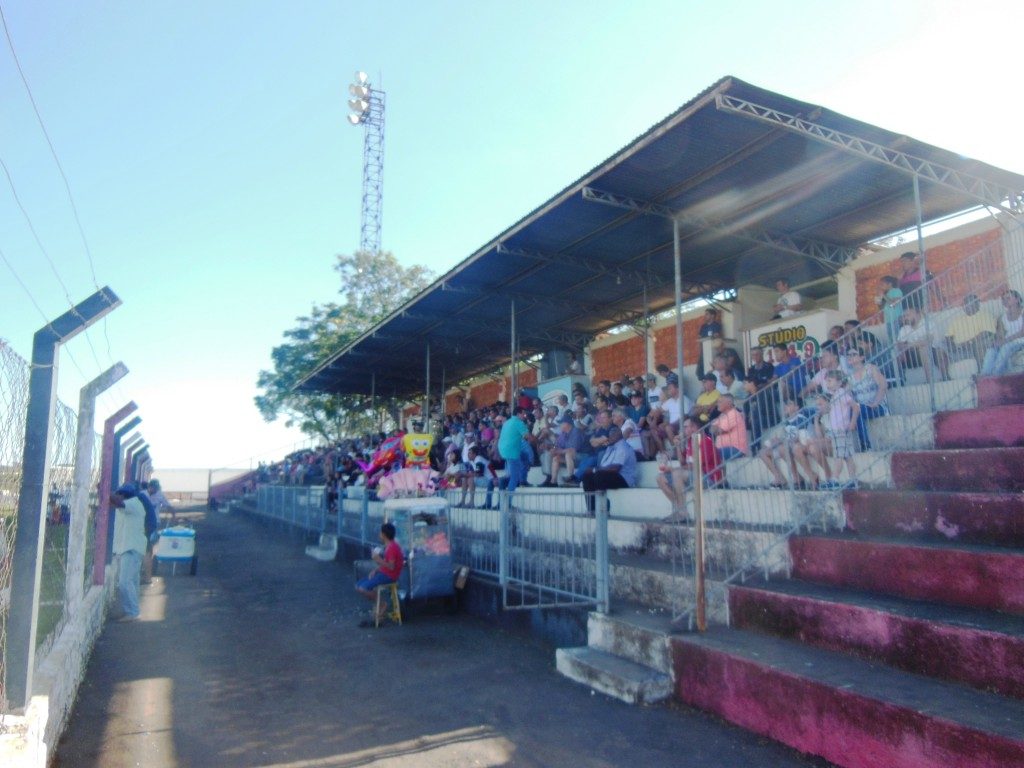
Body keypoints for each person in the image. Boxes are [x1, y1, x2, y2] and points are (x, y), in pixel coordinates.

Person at [656, 416, 718, 521]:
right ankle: (679, 510)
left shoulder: (705, 441)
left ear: (694, 428)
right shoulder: (690, 442)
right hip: (693, 477)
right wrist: (678, 446)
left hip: (709, 478)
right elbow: (683, 462)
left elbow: (695, 466)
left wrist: (672, 469)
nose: (683, 431)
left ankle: (682, 513)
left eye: (685, 427)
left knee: (677, 473)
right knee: (660, 478)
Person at [110, 483, 148, 622]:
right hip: (131, 547)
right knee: (131, 581)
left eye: (119, 494)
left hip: (131, 548)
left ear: (124, 495)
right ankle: (134, 610)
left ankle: (132, 612)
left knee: (124, 582)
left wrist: (106, 490)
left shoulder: (132, 503)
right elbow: (113, 503)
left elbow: (116, 502)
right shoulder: (130, 505)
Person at [759, 399, 815, 489]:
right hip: (789, 446)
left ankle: (797, 478)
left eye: (789, 404)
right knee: (762, 452)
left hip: (800, 446)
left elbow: (795, 438)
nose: (786, 406)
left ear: (797, 407)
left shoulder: (801, 418)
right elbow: (786, 437)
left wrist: (779, 441)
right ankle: (779, 478)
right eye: (786, 404)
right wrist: (775, 441)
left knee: (782, 448)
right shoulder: (787, 422)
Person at [355, 522, 405, 625]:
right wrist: (376, 570)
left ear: (384, 535)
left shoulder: (392, 548)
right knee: (358, 585)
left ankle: (382, 604)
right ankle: (378, 603)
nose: (379, 535)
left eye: (380, 533)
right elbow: (387, 565)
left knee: (362, 588)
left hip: (389, 576)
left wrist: (378, 559)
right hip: (385, 573)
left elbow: (391, 566)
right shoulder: (390, 546)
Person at [580, 426, 637, 514]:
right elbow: (603, 466)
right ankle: (591, 509)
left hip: (624, 479)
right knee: (587, 476)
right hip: (610, 476)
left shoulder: (623, 447)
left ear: (618, 435)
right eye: (608, 435)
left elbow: (615, 468)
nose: (608, 438)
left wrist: (595, 470)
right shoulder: (610, 447)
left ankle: (604, 508)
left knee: (599, 475)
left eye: (610, 435)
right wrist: (595, 470)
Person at [847, 346, 888, 451]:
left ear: (862, 357)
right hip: (861, 408)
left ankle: (865, 446)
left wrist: (875, 403)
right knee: (855, 410)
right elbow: (849, 396)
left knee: (857, 410)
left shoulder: (871, 368)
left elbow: (883, 386)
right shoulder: (848, 376)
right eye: (848, 355)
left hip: (877, 407)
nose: (850, 357)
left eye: (854, 354)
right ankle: (865, 446)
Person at [944, 293, 996, 370]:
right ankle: (945, 379)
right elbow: (948, 337)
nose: (968, 305)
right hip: (958, 349)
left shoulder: (985, 315)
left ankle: (982, 374)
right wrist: (952, 346)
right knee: (939, 349)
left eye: (971, 302)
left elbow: (987, 333)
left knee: (978, 345)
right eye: (966, 303)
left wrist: (969, 343)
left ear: (977, 304)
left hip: (974, 347)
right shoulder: (957, 320)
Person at [981, 289, 1024, 377]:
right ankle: (984, 375)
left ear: (1017, 299)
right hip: (1008, 342)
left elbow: (1022, 333)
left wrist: (1004, 341)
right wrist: (996, 342)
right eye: (1003, 299)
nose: (1005, 301)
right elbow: (1000, 335)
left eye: (1008, 298)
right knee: (991, 350)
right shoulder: (1002, 317)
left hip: (1020, 341)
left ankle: (995, 375)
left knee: (1006, 348)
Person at [497, 406, 532, 493]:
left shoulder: (507, 422)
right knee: (514, 477)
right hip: (512, 452)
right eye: (523, 414)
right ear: (518, 414)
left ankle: (522, 480)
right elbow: (528, 437)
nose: (524, 416)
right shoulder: (518, 422)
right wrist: (539, 441)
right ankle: (508, 502)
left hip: (503, 450)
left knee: (525, 457)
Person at [709, 393, 748, 462]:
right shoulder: (722, 415)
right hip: (724, 449)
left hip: (735, 449)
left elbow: (718, 431)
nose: (717, 404)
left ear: (728, 403)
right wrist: (715, 427)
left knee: (709, 455)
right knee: (706, 455)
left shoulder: (733, 414)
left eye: (720, 402)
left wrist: (715, 427)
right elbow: (711, 430)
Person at [876, 275, 904, 343]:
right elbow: (880, 308)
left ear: (890, 284)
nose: (880, 286)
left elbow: (893, 304)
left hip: (896, 319)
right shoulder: (886, 294)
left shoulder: (896, 291)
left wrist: (883, 295)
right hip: (888, 321)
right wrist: (879, 298)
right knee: (892, 341)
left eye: (882, 284)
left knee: (898, 339)